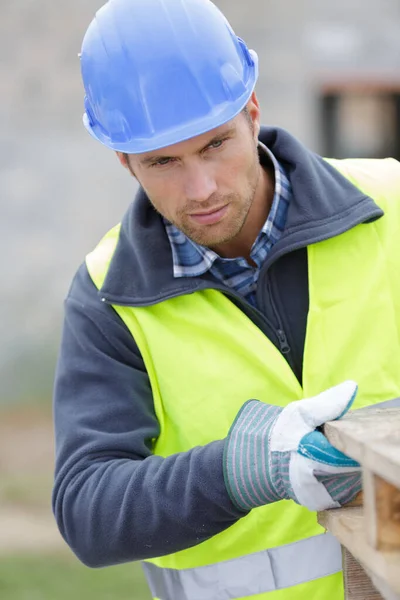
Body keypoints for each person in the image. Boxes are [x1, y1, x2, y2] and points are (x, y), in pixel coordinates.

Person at [52, 0, 400, 598]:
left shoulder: (393, 208)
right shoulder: (109, 297)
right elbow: (88, 510)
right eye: (164, 162)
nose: (202, 188)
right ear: (125, 162)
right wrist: (240, 472)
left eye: (215, 145)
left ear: (252, 112)